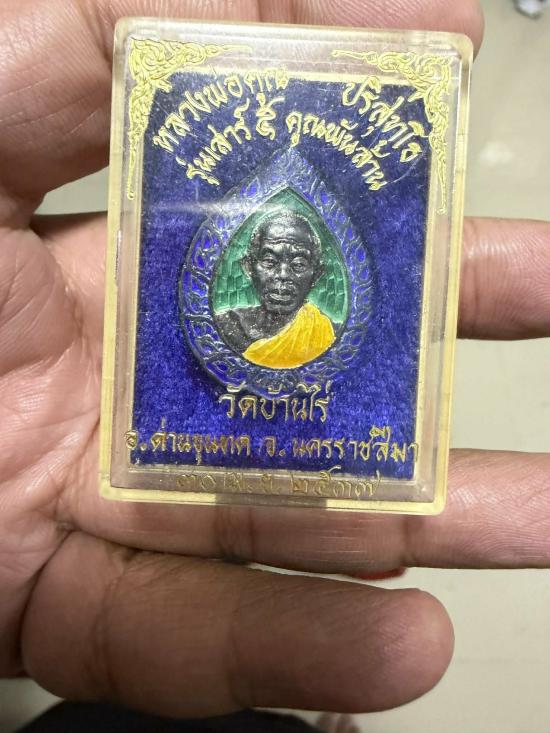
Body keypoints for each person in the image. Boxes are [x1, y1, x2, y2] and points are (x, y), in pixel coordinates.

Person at [0, 0, 548, 730]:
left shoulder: (322, 328)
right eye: (271, 256)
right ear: (249, 262)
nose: (284, 271)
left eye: (300, 259)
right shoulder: (226, 324)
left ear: (319, 268)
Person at [215, 211, 335, 368]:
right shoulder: (226, 326)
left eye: (298, 264)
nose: (283, 275)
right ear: (248, 267)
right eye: (269, 261)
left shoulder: (327, 334)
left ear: (317, 274)